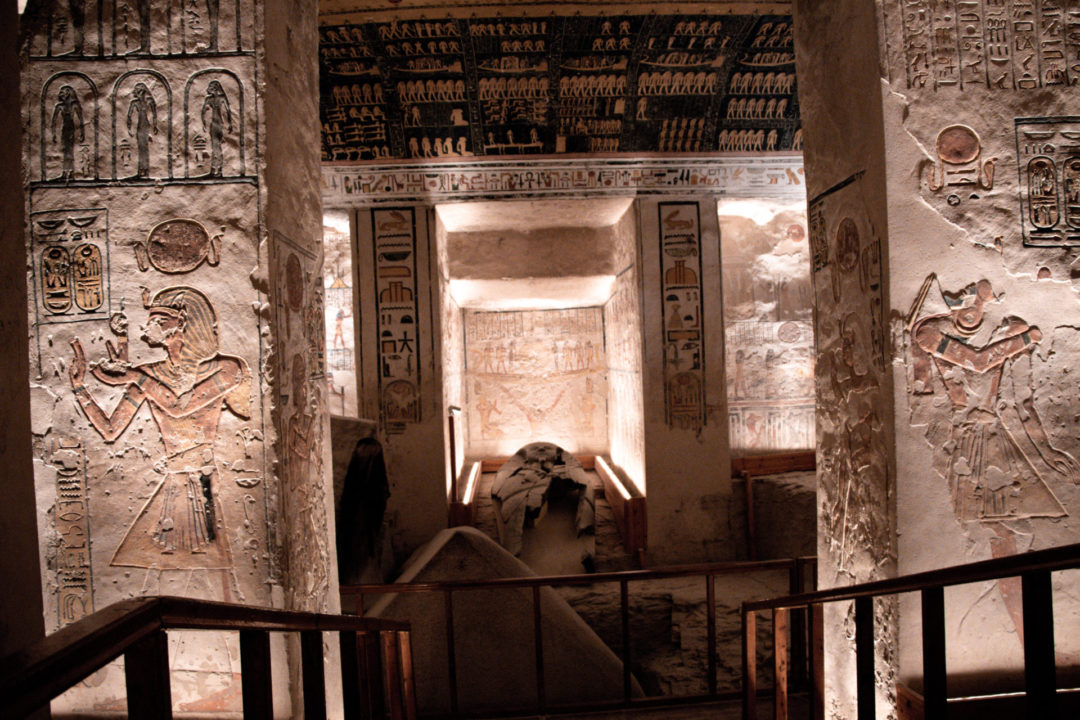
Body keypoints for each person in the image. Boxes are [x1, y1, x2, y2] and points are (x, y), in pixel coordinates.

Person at [68, 286, 251, 572]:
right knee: (151, 577)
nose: (146, 327)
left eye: (156, 320)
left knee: (207, 573)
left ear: (182, 322)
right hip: (171, 487)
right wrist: (79, 387)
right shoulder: (148, 374)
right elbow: (110, 430)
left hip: (205, 489)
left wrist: (135, 377)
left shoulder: (226, 369)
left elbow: (179, 407)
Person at [51, 85, 83, 181]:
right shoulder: (60, 106)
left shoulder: (74, 105)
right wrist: (53, 133)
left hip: (71, 129)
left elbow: (81, 120)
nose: (60, 94)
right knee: (66, 150)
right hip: (65, 129)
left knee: (69, 151)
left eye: (62, 92)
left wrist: (82, 132)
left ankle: (71, 173)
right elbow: (54, 121)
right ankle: (66, 173)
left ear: (68, 93)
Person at [201, 81, 232, 177]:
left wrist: (230, 123)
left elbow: (228, 111)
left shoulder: (221, 98)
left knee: (217, 147)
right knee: (215, 148)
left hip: (218, 124)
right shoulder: (209, 99)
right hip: (214, 124)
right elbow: (203, 111)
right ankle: (215, 170)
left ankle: (218, 170)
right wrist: (203, 123)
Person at [126, 83, 157, 178]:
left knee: (145, 148)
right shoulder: (134, 102)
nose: (136, 94)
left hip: (146, 126)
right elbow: (129, 116)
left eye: (138, 92)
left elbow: (154, 114)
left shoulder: (149, 101)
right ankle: (141, 170)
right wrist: (129, 128)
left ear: (142, 92)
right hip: (140, 126)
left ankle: (145, 170)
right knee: (141, 148)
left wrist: (155, 126)